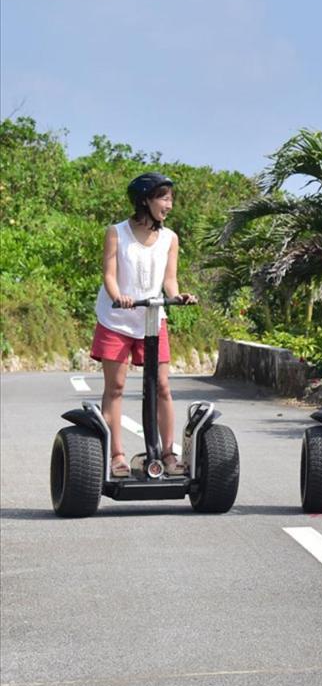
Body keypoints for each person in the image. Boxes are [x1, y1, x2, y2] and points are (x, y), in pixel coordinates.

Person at [90, 172, 196, 477]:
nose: (169, 205)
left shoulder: (170, 238)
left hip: (152, 318)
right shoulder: (117, 232)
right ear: (145, 200)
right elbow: (109, 274)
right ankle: (117, 455)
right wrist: (118, 296)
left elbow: (170, 280)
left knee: (162, 386)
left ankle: (167, 454)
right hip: (117, 319)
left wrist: (178, 296)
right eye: (164, 198)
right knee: (116, 387)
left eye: (171, 198)